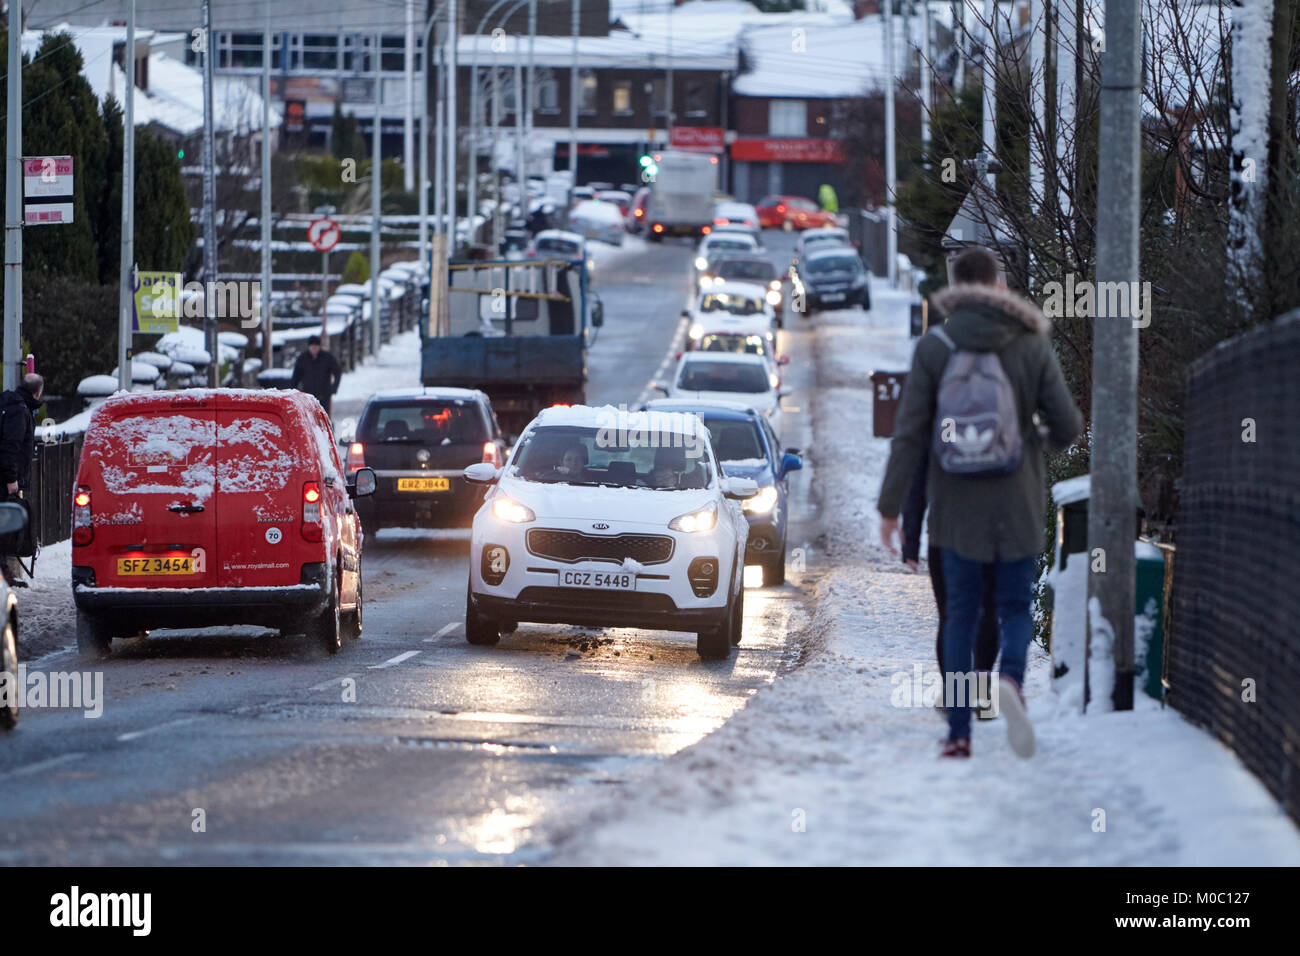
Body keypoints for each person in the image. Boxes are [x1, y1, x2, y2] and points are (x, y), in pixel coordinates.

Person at [878, 246, 1082, 760]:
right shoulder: (1030, 341)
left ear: (953, 287)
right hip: (1017, 503)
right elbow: (1069, 426)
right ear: (997, 286)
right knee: (1014, 608)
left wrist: (890, 508)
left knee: (961, 616)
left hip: (954, 509)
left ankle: (959, 733)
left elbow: (909, 436)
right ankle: (1010, 681)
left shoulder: (935, 346)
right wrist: (1032, 440)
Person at [901, 444, 1000, 718]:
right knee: (987, 611)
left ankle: (957, 695)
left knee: (951, 615)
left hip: (947, 535)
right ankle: (980, 695)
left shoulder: (942, 421)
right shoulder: (1003, 417)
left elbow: (918, 483)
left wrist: (911, 539)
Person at [0, 373, 44, 587]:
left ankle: (4, 573)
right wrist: (11, 478)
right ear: (37, 392)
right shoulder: (19, 410)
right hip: (4, 478)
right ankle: (4, 575)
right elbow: (11, 446)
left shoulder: (10, 404)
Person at [289, 335, 341, 416]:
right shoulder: (303, 358)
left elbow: (337, 372)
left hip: (324, 396)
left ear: (319, 346)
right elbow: (296, 376)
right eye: (312, 346)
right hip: (308, 397)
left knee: (323, 418)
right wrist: (293, 392)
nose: (314, 348)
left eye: (316, 346)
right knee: (309, 418)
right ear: (309, 347)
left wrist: (334, 387)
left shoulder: (327, 357)